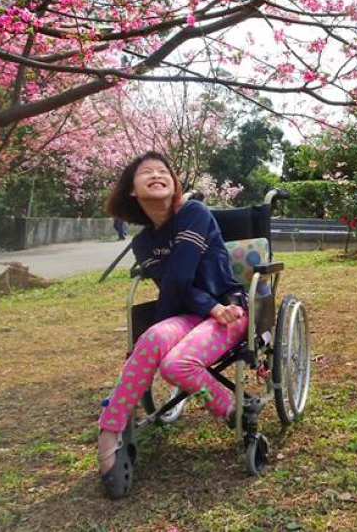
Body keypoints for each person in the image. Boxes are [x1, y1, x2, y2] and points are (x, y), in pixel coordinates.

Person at [98, 151, 247, 498]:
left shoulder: (194, 213)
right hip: (190, 313)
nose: (156, 174)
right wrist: (194, 310)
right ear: (132, 191)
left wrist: (213, 306)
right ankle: (110, 430)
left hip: (228, 309)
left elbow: (178, 277)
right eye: (145, 172)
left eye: (162, 171)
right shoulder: (142, 242)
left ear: (174, 183)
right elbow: (172, 286)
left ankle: (233, 406)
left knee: (176, 365)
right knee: (151, 337)